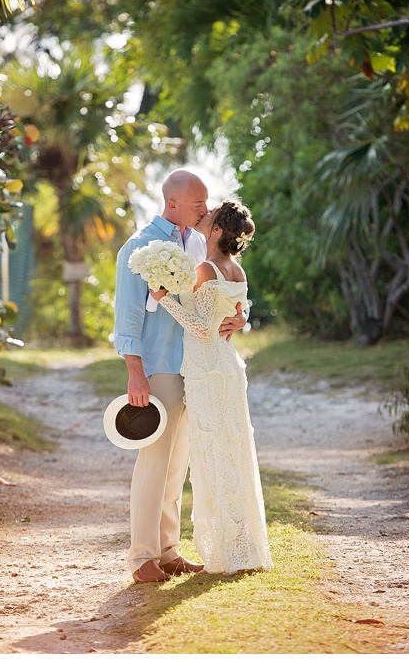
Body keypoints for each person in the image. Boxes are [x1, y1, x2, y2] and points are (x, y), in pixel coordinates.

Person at [114, 169, 247, 583]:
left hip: (197, 366)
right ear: (172, 204)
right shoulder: (138, 248)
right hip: (160, 367)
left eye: (206, 203)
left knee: (178, 465)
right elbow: (128, 317)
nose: (205, 210)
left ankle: (169, 550)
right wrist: (136, 373)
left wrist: (242, 316)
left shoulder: (196, 243)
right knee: (154, 462)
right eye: (197, 204)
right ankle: (142, 557)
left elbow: (221, 291)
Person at [150, 199, 273, 574]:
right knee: (230, 449)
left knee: (213, 453)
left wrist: (165, 299)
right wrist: (241, 319)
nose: (204, 215)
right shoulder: (236, 269)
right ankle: (241, 545)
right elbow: (237, 310)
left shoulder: (206, 267)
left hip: (206, 368)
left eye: (211, 214)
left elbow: (203, 328)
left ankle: (227, 551)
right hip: (228, 367)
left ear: (218, 230)